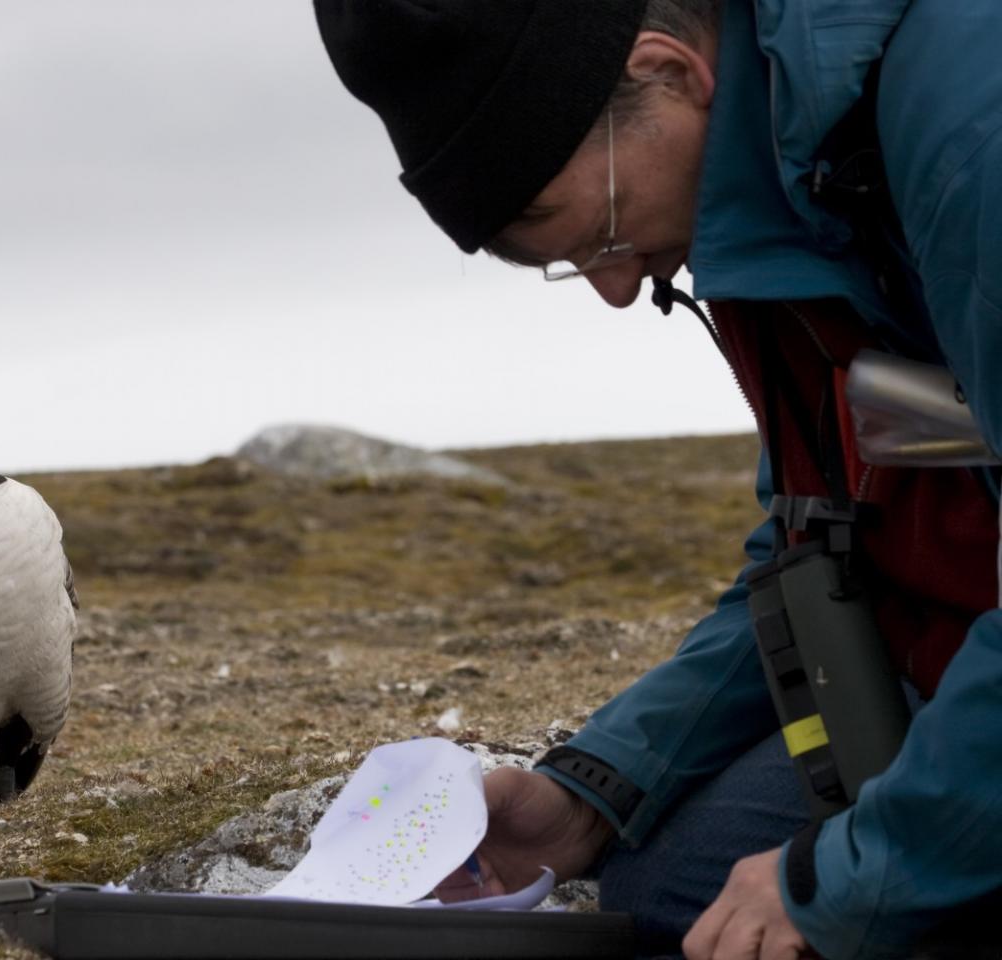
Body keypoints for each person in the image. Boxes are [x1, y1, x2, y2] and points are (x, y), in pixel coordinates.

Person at [314, 2, 1002, 958]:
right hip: (947, 666)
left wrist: (858, 872)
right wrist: (591, 790)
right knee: (668, 894)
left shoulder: (973, 134)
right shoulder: (768, 189)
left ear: (669, 72)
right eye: (565, 266)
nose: (617, 289)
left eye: (595, 233)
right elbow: (819, 535)